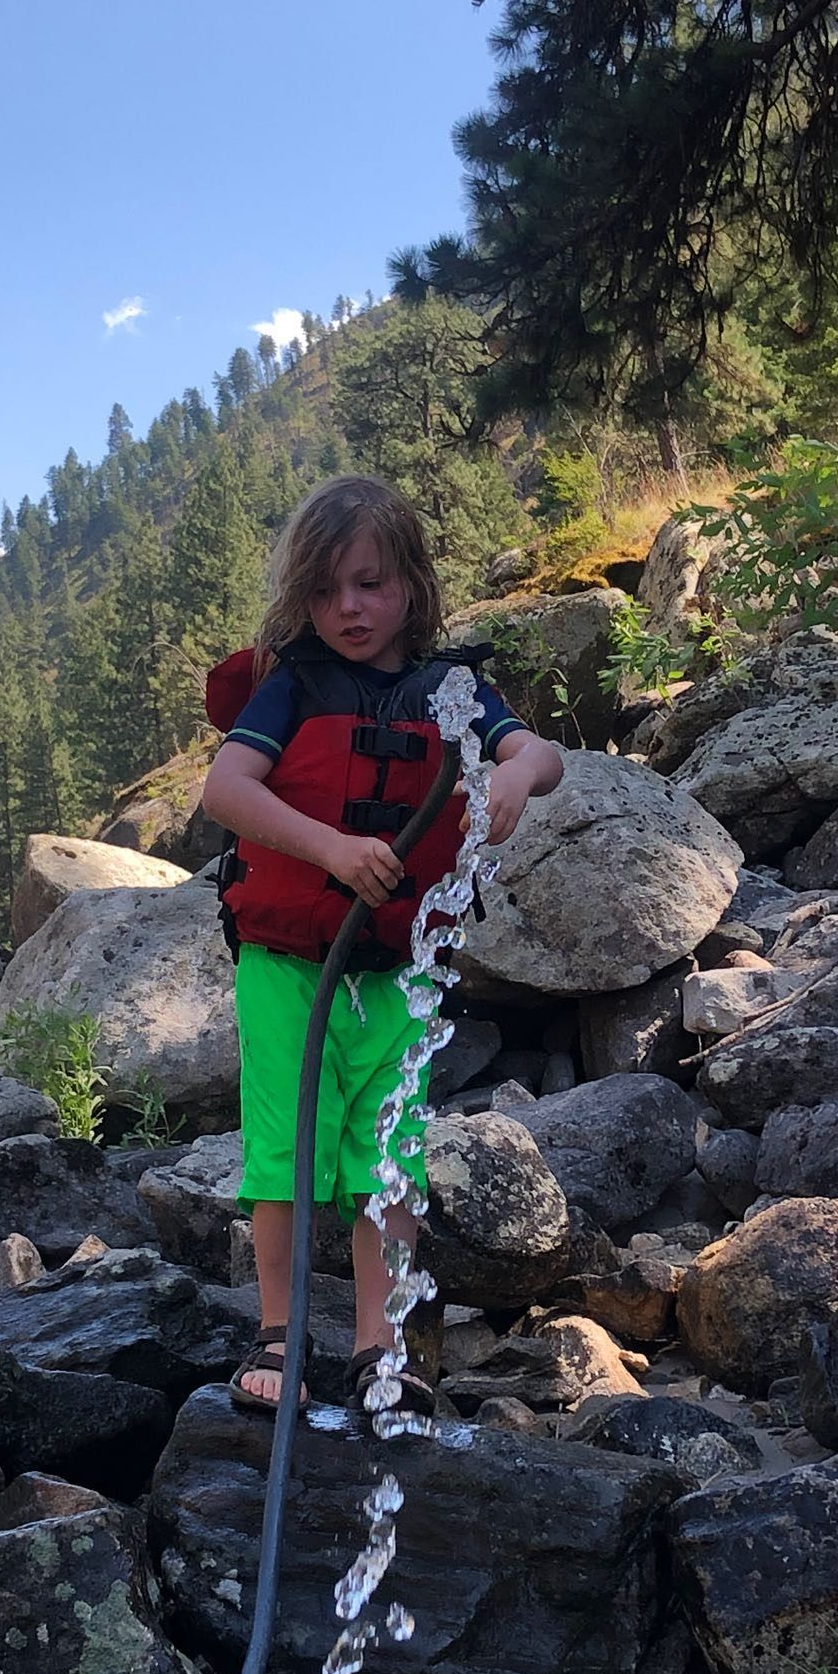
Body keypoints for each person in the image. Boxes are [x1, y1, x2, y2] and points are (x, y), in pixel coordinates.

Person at [200, 474, 564, 1418]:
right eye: (324, 592)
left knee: (386, 1158)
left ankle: (379, 1347)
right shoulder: (292, 687)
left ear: (409, 579)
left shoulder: (452, 690)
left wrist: (514, 770)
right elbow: (226, 790)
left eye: (367, 583)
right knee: (284, 1150)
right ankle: (278, 1334)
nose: (347, 609)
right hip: (289, 966)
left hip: (399, 968)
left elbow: (540, 753)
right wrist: (330, 847)